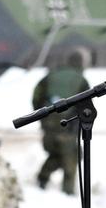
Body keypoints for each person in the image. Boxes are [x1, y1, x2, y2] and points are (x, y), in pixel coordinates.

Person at [32, 51, 91, 194]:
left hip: (49, 123)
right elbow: (86, 106)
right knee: (71, 156)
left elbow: (36, 97)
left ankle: (42, 178)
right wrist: (77, 123)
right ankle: (68, 192)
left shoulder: (50, 75)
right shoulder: (81, 80)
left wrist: (43, 117)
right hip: (67, 123)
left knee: (57, 153)